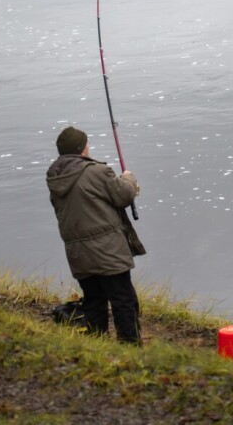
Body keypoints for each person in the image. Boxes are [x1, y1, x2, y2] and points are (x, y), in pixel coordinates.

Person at [46, 126, 146, 345]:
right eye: (87, 144)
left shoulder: (55, 176)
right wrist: (129, 179)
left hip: (78, 253)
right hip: (108, 251)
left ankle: (97, 345)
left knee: (94, 301)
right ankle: (130, 348)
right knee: (124, 301)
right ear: (82, 149)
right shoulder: (98, 172)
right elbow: (123, 196)